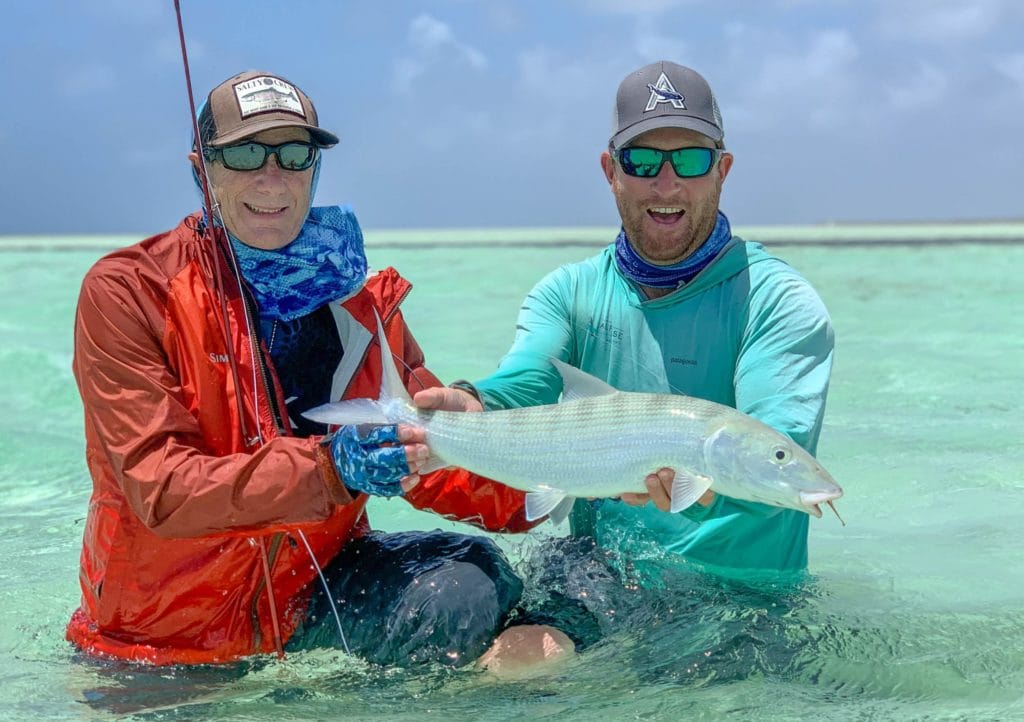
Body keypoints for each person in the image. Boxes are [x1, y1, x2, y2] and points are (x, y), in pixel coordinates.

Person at [67, 69, 572, 669]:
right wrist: (333, 467)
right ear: (202, 169)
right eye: (247, 153)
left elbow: (429, 453)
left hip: (308, 590)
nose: (272, 176)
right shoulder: (130, 291)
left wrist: (568, 480)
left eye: (294, 153)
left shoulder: (359, 304)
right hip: (159, 634)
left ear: (315, 166)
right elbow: (162, 488)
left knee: (473, 579)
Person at [415, 61, 835, 576]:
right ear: (610, 171)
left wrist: (704, 487)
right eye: (640, 161)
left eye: (691, 160)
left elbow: (774, 439)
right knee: (517, 654)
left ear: (721, 171)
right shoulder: (567, 292)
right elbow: (529, 377)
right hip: (602, 581)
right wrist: (474, 400)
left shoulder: (775, 298)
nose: (666, 184)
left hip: (747, 599)